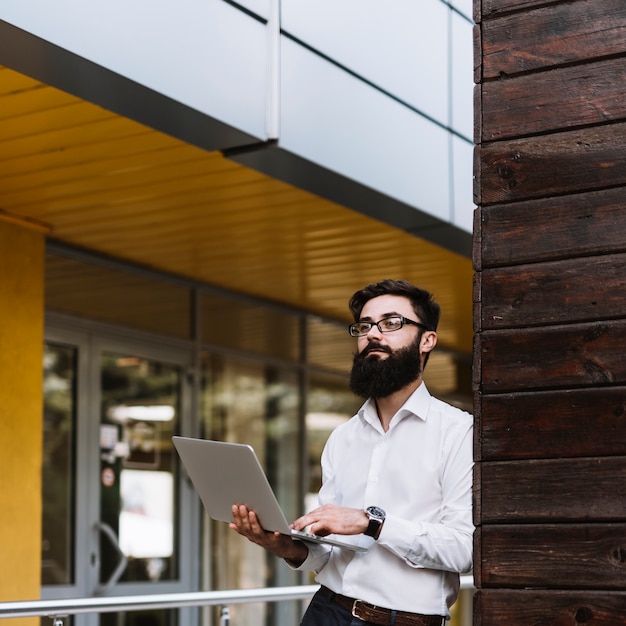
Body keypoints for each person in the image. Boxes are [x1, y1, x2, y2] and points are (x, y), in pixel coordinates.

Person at [230, 279, 474, 625]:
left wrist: (372, 523)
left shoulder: (459, 432)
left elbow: (463, 550)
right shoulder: (342, 437)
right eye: (364, 326)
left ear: (427, 340)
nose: (373, 334)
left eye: (392, 323)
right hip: (326, 612)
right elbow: (329, 555)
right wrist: (287, 548)